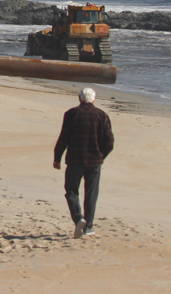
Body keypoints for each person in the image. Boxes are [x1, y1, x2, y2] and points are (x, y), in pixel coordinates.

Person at [53, 87, 114, 238]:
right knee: (91, 194)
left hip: (74, 160)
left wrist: (57, 158)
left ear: (79, 98)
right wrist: (102, 155)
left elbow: (63, 138)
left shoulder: (71, 114)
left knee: (71, 191)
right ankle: (89, 227)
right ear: (94, 99)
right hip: (94, 161)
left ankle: (78, 218)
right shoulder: (102, 115)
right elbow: (109, 141)